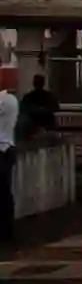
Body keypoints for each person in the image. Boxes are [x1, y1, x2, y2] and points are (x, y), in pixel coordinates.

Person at [0, 83, 19, 245]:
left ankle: (7, 233)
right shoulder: (10, 100)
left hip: (3, 150)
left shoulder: (6, 101)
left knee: (4, 194)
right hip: (6, 149)